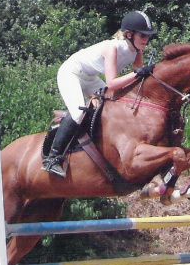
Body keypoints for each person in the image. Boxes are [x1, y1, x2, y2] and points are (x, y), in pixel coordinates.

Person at [42, 11, 156, 178]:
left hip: (90, 78)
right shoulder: (113, 47)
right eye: (143, 35)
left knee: (112, 105)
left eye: (148, 36)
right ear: (129, 34)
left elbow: (137, 77)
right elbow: (112, 83)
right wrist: (139, 73)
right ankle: (52, 158)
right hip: (71, 73)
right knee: (79, 111)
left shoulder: (137, 50)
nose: (146, 39)